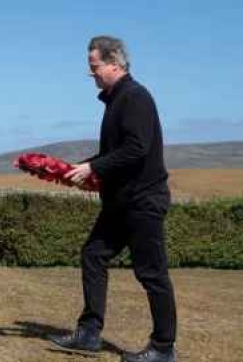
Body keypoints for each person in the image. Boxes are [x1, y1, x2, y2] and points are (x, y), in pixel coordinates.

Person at [49, 36, 177, 362]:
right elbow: (114, 154)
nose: (91, 74)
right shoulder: (115, 101)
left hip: (143, 200)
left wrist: (94, 166)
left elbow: (137, 149)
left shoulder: (135, 97)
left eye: (94, 67)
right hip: (121, 201)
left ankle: (163, 348)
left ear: (114, 64)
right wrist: (83, 171)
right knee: (93, 254)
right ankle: (89, 333)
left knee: (151, 273)